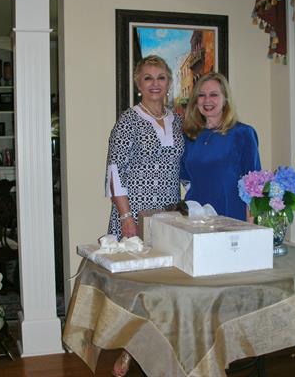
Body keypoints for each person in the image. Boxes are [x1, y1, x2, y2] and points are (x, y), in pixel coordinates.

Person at [104, 54, 184, 376]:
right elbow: (114, 171)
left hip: (168, 215)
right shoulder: (128, 120)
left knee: (164, 286)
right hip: (134, 214)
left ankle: (160, 345)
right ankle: (128, 347)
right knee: (136, 287)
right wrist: (126, 218)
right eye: (148, 78)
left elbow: (183, 167)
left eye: (161, 77)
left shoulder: (178, 120)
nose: (155, 84)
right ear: (138, 84)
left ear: (169, 82)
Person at [181, 72, 261, 221]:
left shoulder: (243, 133)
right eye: (201, 95)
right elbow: (186, 179)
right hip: (197, 214)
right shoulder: (189, 136)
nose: (207, 100)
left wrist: (251, 224)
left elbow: (253, 184)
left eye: (214, 95)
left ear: (225, 100)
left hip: (230, 211)